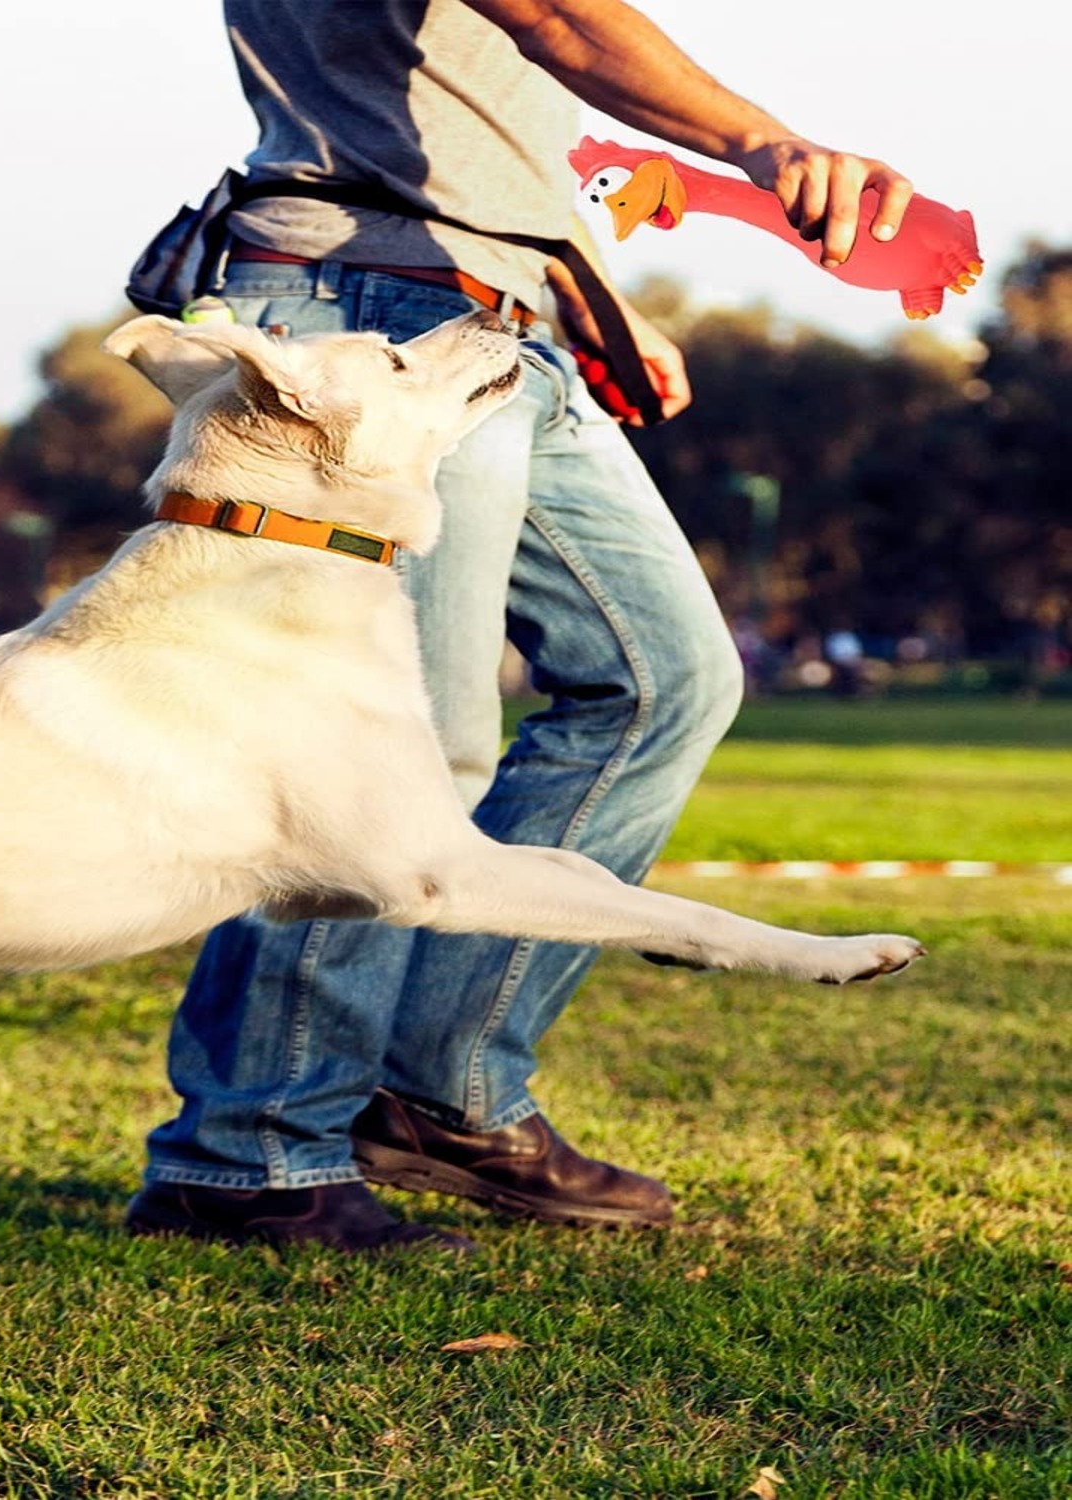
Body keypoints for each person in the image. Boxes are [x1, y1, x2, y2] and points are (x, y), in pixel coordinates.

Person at [125, 0, 915, 1253]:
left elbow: (468, 103)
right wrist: (763, 145)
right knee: (392, 759)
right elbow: (558, 18)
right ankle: (251, 1152)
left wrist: (571, 281)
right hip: (366, 312)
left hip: (488, 314)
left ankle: (439, 1093)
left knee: (662, 679)